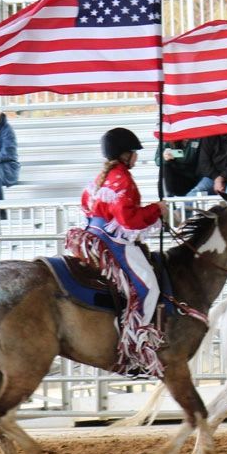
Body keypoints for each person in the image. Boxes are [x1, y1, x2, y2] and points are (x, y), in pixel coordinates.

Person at [70, 128, 168, 376]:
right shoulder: (122, 179)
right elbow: (129, 220)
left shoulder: (101, 178)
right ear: (124, 155)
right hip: (112, 242)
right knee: (148, 288)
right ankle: (138, 347)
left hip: (91, 237)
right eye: (133, 153)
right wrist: (156, 209)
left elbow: (85, 204)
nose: (136, 157)